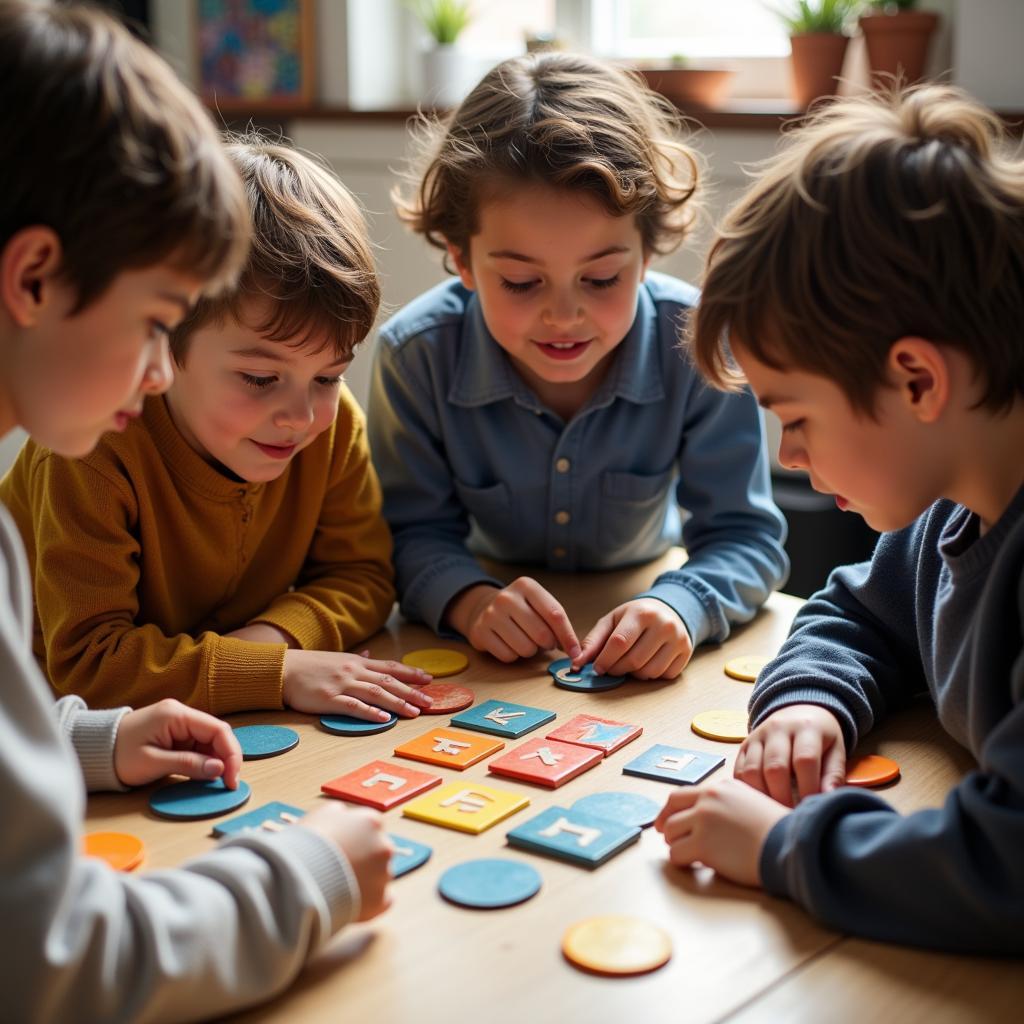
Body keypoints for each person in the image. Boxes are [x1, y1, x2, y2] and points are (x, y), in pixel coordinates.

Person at [0, 3, 393, 1018]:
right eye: (157, 323)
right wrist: (305, 877)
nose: (160, 365)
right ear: (34, 277)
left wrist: (90, 743)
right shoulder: (83, 452)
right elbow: (53, 959)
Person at [655, 85, 1024, 953]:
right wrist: (813, 699)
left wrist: (785, 846)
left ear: (918, 381)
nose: (788, 457)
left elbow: (1008, 864)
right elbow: (859, 612)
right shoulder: (951, 511)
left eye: (796, 416)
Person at [369, 52, 788, 679]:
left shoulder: (698, 343)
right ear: (461, 260)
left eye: (600, 278)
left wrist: (683, 604)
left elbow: (746, 537)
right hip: (487, 642)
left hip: (644, 596)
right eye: (518, 282)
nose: (563, 317)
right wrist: (467, 599)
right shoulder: (416, 354)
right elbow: (408, 535)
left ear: (647, 254)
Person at [1, 134, 434, 723]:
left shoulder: (328, 431)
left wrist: (267, 643)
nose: (301, 416)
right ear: (167, 342)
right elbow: (89, 667)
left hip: (208, 717)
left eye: (329, 376)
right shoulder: (89, 447)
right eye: (259, 379)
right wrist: (272, 671)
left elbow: (363, 577)